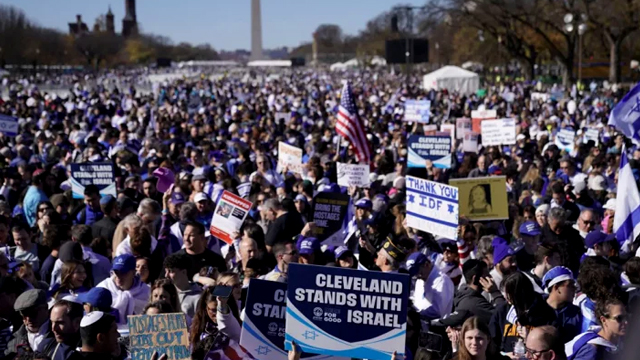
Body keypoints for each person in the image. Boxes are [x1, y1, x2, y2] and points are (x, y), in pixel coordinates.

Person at [490, 272, 557, 354]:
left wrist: (529, 338)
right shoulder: (502, 311)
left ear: (521, 292)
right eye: (504, 292)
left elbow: (553, 345)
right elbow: (492, 342)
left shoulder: (546, 312)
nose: (505, 296)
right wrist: (504, 356)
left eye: (509, 293)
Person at [96, 254, 150, 323]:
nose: (118, 276)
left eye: (123, 273)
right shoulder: (103, 288)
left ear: (133, 273)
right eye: (116, 272)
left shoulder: (146, 291)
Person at [189, 287, 242, 357]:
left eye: (219, 310)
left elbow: (225, 322)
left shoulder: (235, 328)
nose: (217, 314)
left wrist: (222, 306)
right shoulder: (197, 330)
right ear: (205, 308)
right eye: (214, 310)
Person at [453, 260, 505, 325]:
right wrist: (495, 292)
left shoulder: (465, 296)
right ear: (475, 279)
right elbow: (503, 316)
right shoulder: (475, 303)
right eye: (487, 275)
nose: (491, 277)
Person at [405, 252, 454, 320]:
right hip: (419, 324)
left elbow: (437, 311)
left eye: (418, 272)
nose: (416, 276)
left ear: (426, 264)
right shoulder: (420, 280)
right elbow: (417, 300)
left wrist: (416, 315)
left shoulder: (442, 281)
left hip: (436, 327)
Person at [5, 289, 52, 358]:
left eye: (33, 313)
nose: (28, 319)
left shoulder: (60, 335)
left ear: (46, 308)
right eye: (24, 314)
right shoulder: (14, 340)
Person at [542, 266, 582, 344]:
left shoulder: (577, 313)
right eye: (570, 285)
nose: (575, 288)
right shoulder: (536, 311)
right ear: (556, 287)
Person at [163, 253, 202, 318]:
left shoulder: (198, 297)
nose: (166, 275)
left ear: (184, 272)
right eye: (166, 271)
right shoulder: (165, 292)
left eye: (170, 271)